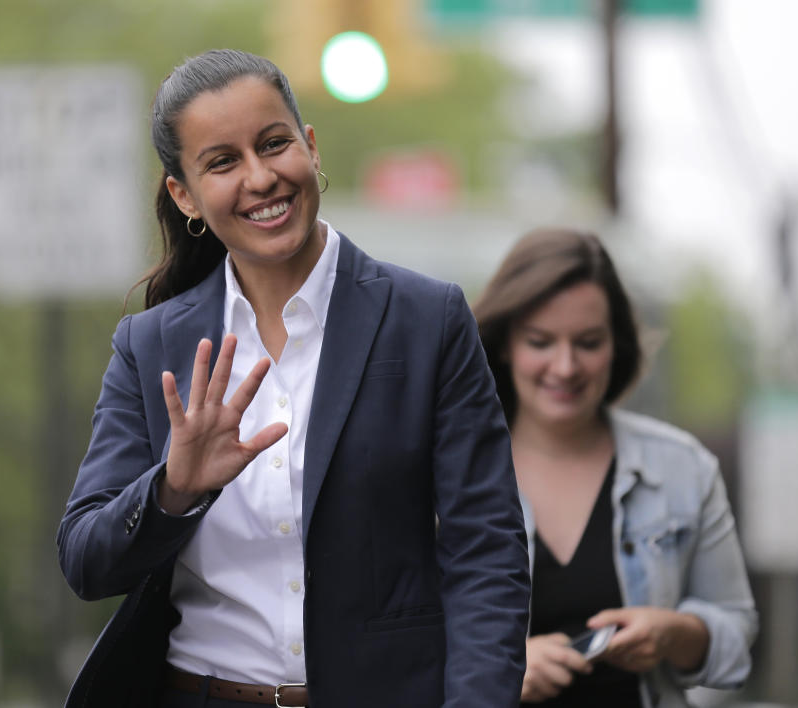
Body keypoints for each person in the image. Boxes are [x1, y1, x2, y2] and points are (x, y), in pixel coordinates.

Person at [56, 49, 530, 708]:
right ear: (184, 194)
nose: (259, 177)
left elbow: (487, 552)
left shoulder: (428, 320)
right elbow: (85, 560)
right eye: (222, 162)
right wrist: (174, 489)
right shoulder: (150, 346)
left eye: (273, 144)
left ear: (309, 147)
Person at [473, 228, 757, 708]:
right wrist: (496, 669)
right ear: (505, 344)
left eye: (587, 342)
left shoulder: (683, 469)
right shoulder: (446, 471)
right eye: (540, 341)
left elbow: (736, 629)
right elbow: (390, 638)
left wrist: (675, 633)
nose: (565, 366)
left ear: (616, 346)